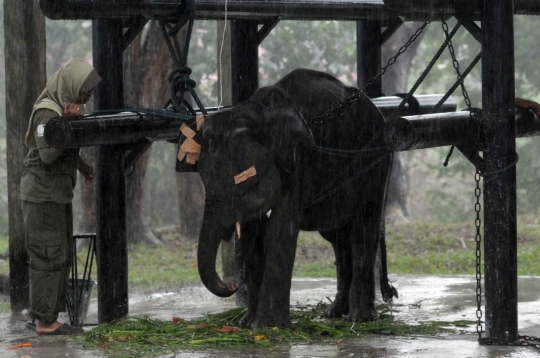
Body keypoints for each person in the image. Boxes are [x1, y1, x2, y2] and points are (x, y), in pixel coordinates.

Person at [20, 58, 101, 335]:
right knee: (48, 256)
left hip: (57, 195)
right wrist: (66, 123)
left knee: (61, 254)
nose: (88, 97)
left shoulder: (65, 109)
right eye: (84, 90)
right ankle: (45, 321)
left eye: (90, 93)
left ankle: (48, 316)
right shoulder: (46, 114)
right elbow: (47, 152)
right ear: (70, 85)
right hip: (42, 197)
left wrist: (82, 165)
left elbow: (65, 149)